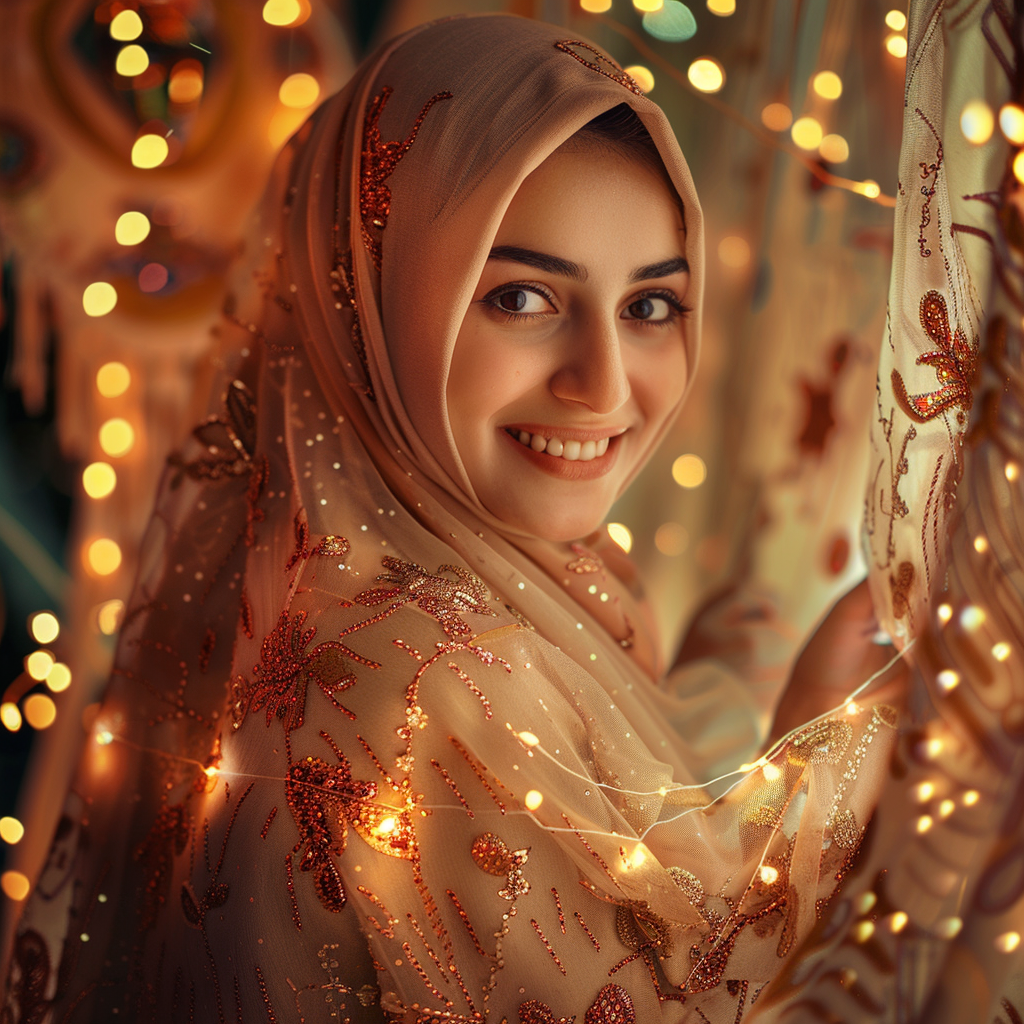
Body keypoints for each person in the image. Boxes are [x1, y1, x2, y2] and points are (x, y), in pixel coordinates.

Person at [1, 15, 902, 1022]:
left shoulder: (315, 582)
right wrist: (868, 746)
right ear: (371, 307)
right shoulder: (422, 668)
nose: (602, 385)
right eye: (520, 296)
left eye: (649, 306)